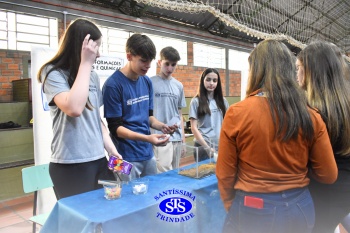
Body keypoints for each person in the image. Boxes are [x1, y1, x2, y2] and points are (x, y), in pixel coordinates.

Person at [216, 39, 338, 233]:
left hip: (254, 206)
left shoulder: (237, 113)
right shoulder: (311, 116)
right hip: (301, 207)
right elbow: (329, 175)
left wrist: (234, 205)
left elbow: (224, 174)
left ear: (255, 71)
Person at [37, 18, 122, 200]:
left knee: (107, 212)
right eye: (95, 48)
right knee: (79, 222)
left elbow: (95, 119)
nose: (98, 54)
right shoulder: (52, 73)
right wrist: (85, 63)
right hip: (70, 164)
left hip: (99, 160)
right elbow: (74, 108)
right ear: (81, 47)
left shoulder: (92, 75)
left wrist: (110, 148)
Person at [102, 34, 176, 181]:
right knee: (125, 199)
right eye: (143, 60)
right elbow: (115, 129)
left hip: (147, 154)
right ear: (129, 56)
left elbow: (148, 117)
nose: (148, 65)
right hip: (122, 157)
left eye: (150, 61)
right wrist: (148, 138)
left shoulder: (146, 81)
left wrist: (162, 126)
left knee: (151, 196)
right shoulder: (112, 85)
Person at [296, 41, 350, 233]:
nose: (297, 74)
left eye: (299, 68)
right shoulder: (344, 105)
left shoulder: (311, 113)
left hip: (321, 193)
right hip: (344, 191)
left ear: (312, 72)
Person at [150, 46, 186, 173]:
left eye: (173, 64)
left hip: (176, 137)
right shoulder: (150, 83)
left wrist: (183, 139)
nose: (170, 68)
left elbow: (179, 113)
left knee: (176, 173)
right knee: (164, 172)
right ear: (159, 62)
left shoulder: (179, 86)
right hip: (160, 137)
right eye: (167, 64)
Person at [189, 68, 229, 162]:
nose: (211, 83)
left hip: (220, 146)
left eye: (214, 80)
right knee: (204, 175)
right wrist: (207, 148)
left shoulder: (223, 102)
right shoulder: (196, 101)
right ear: (203, 80)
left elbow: (228, 124)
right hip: (203, 147)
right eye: (208, 79)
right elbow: (194, 128)